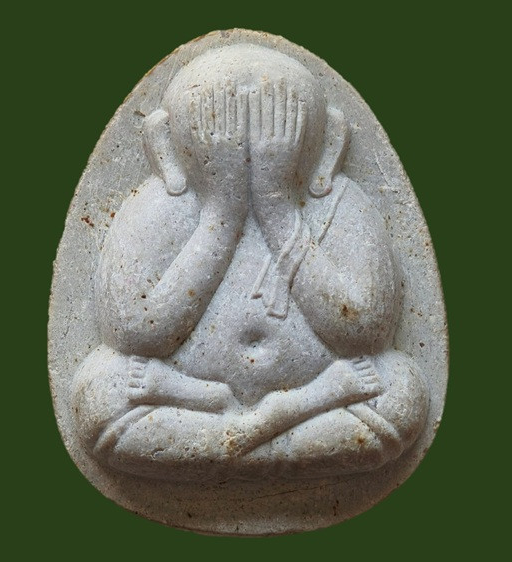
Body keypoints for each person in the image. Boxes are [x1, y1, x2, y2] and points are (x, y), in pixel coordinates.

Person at [73, 44, 428, 481]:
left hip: (284, 403)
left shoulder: (342, 205)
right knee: (99, 393)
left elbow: (364, 332)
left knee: (400, 390)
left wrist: (278, 208)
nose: (247, 147)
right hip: (208, 399)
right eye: (218, 126)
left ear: (328, 142)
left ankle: (237, 443)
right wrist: (222, 213)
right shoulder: (156, 208)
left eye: (275, 124)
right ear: (165, 144)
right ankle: (274, 438)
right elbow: (135, 333)